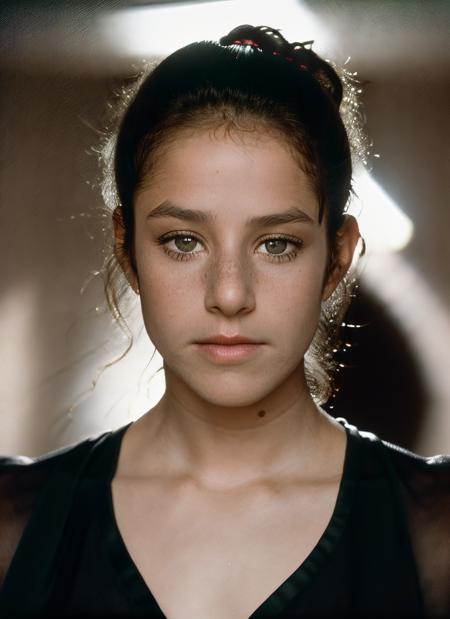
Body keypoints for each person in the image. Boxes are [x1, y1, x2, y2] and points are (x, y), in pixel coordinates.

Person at [0, 23, 449, 619]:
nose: (230, 295)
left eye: (277, 244)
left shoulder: (436, 529)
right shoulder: (13, 525)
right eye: (184, 241)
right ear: (127, 247)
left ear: (337, 256)